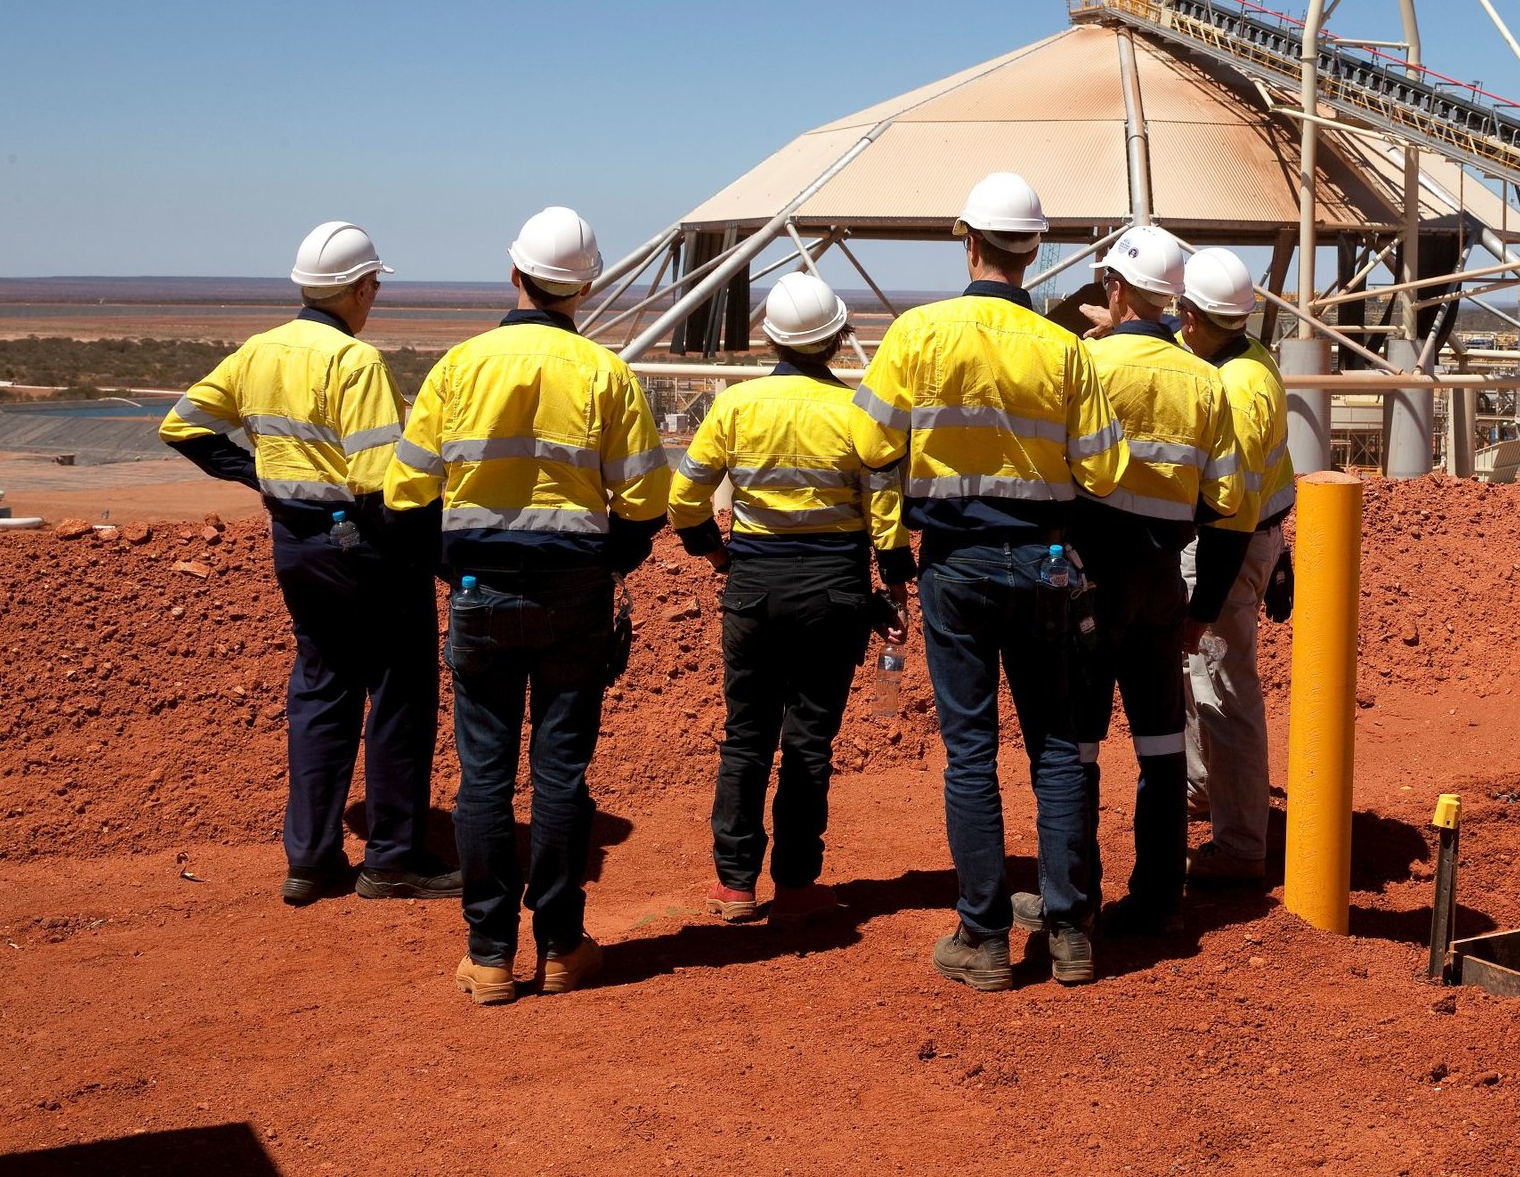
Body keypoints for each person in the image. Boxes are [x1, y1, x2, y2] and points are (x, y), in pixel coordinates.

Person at [383, 206, 671, 1006]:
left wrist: (455, 570)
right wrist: (604, 564)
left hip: (478, 592)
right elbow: (647, 504)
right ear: (585, 287)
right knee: (560, 773)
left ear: (514, 274)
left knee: (483, 779)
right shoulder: (606, 373)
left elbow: (405, 500)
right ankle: (561, 946)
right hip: (574, 592)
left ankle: (487, 956)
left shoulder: (457, 368)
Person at [849, 171, 1128, 991]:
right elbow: (1106, 470)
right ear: (1034, 249)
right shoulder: (1066, 350)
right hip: (1044, 565)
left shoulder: (918, 333)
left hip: (957, 567)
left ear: (968, 242)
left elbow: (869, 444)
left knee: (970, 749)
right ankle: (1071, 931)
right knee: (1053, 744)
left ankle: (985, 937)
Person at [159, 221, 459, 907]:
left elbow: (182, 423)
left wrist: (259, 474)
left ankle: (310, 860)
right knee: (400, 694)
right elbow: (386, 487)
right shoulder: (357, 364)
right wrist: (439, 561)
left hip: (295, 544)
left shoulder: (258, 352)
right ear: (357, 288)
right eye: (375, 283)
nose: (377, 294)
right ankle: (391, 860)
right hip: (365, 548)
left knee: (322, 689)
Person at [1013, 225, 1241, 941]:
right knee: (1163, 744)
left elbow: (1048, 471)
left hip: (1087, 572)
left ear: (1114, 288)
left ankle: (1072, 899)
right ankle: (1158, 898)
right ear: (1174, 301)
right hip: (1160, 574)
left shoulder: (1086, 363)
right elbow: (1226, 498)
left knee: (1075, 744)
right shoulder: (1206, 379)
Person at [667, 271, 914, 924]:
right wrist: (889, 586)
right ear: (837, 337)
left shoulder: (735, 407)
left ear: (771, 338)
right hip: (833, 594)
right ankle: (798, 883)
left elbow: (683, 498)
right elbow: (885, 512)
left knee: (746, 736)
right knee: (809, 743)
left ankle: (734, 884)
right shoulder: (859, 411)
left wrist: (715, 553)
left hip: (753, 588)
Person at [1176, 247, 1297, 883]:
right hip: (1253, 538)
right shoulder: (1248, 358)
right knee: (1202, 682)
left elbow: (1234, 508)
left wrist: (1203, 602)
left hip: (1226, 544)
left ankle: (1243, 843)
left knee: (1225, 689)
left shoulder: (1236, 386)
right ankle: (1205, 795)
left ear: (1192, 314)